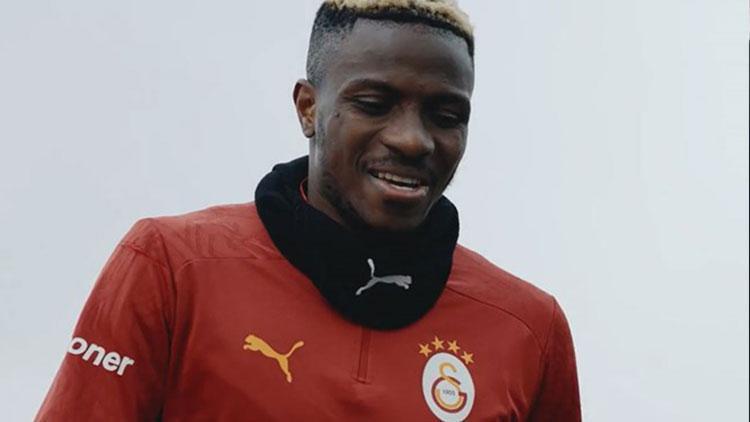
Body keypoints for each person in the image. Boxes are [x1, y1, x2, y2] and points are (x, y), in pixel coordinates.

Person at [36, 1, 581, 420]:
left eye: (446, 115)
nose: (413, 140)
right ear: (307, 107)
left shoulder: (529, 328)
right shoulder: (172, 267)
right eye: (373, 105)